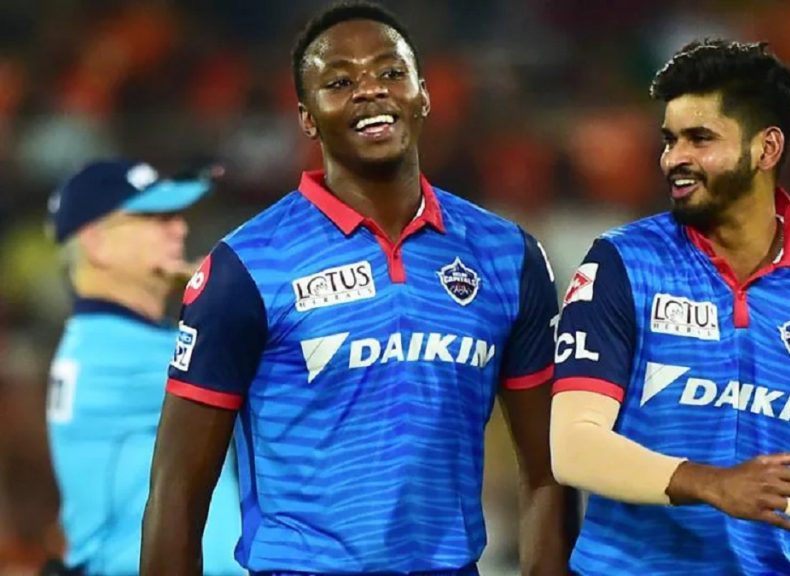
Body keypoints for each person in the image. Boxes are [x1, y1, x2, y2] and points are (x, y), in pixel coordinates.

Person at [140, 2, 569, 575]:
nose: (371, 90)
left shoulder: (506, 256)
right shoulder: (249, 267)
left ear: (423, 94)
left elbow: (550, 471)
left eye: (391, 72)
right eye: (340, 82)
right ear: (307, 117)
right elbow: (177, 490)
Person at [549, 39, 790, 575]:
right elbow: (573, 447)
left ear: (767, 149)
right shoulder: (622, 264)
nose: (675, 159)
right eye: (669, 140)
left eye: (700, 139)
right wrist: (712, 483)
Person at [44, 160, 244, 576]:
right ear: (96, 243)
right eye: (155, 217)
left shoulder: (109, 339)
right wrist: (228, 286)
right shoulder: (115, 354)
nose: (179, 229)